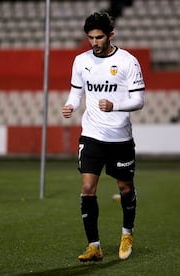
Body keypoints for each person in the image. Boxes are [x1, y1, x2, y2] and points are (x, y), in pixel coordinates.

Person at [62, 11, 145, 261]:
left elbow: (139, 100)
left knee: (125, 187)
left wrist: (115, 106)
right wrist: (70, 106)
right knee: (87, 187)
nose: (94, 43)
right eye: (90, 38)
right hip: (92, 134)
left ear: (110, 35)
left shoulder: (128, 62)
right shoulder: (81, 61)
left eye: (99, 38)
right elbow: (76, 93)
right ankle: (94, 246)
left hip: (119, 137)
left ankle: (127, 233)